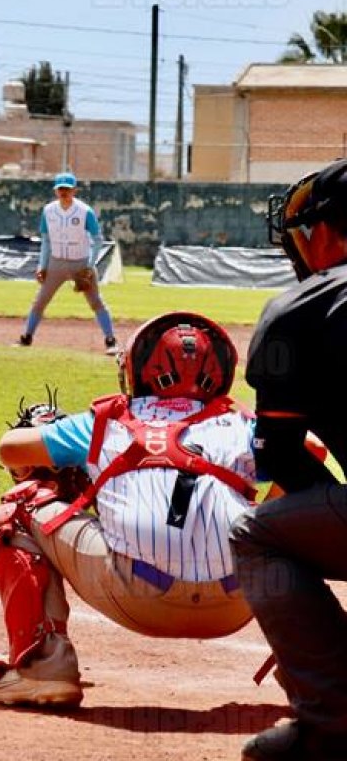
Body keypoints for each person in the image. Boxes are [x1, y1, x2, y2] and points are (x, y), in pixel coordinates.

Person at [0, 311, 260, 708]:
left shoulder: (105, 421)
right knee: (287, 516)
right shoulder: (240, 425)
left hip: (139, 598)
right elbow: (311, 448)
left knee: (21, 506)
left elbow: (10, 449)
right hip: (236, 603)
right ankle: (310, 669)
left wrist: (72, 454)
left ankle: (42, 668)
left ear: (136, 369)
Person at [230, 158, 347, 760]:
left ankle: (332, 723)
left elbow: (280, 461)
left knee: (257, 536)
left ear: (325, 233)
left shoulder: (298, 309)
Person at [17, 172, 118, 354]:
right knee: (40, 301)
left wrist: (90, 265)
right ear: (56, 191)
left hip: (80, 262)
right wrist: (42, 266)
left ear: (74, 190)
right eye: (60, 188)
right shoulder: (48, 211)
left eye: (67, 188)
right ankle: (26, 337)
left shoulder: (84, 211)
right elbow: (46, 240)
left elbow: (97, 239)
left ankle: (111, 341)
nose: (64, 191)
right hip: (56, 263)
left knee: (96, 302)